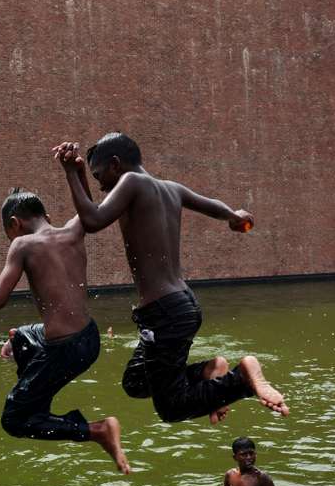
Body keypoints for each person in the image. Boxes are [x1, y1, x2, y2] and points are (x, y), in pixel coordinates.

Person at [52, 133, 288, 423]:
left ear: (116, 164)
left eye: (99, 176)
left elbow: (92, 221)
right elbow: (212, 205)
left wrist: (69, 175)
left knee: (171, 408)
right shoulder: (170, 188)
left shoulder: (131, 182)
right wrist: (234, 216)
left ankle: (243, 377)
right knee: (136, 381)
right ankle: (210, 372)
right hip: (178, 306)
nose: (101, 186)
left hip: (165, 312)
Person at [0, 188, 130, 474]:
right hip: (89, 338)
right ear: (46, 216)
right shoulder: (73, 229)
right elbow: (91, 208)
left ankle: (97, 430)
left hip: (65, 349)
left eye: (9, 233)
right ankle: (33, 390)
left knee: (14, 420)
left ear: (14, 224)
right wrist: (75, 171)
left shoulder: (23, 244)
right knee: (20, 336)